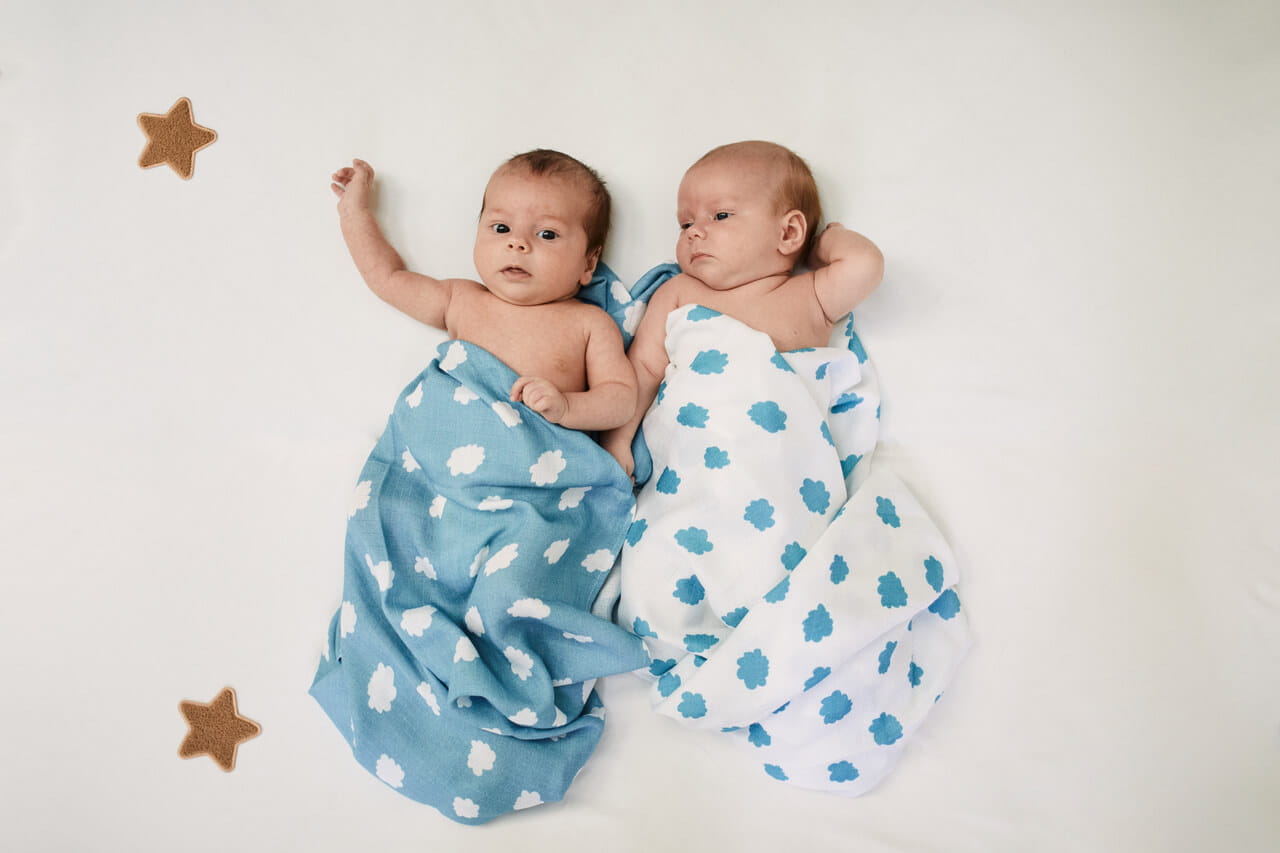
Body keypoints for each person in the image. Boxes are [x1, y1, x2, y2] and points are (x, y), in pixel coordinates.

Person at [602, 140, 885, 475]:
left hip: (784, 471)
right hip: (694, 465)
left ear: (789, 232)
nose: (694, 233)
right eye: (686, 224)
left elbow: (864, 263)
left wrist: (823, 243)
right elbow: (643, 370)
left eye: (720, 215)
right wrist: (618, 441)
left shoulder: (811, 296)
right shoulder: (678, 292)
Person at [330, 149, 637, 434]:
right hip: (447, 448)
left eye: (547, 234)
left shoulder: (590, 324)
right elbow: (387, 277)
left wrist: (568, 407)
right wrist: (355, 213)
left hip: (536, 459)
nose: (517, 243)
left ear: (589, 262)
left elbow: (621, 399)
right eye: (502, 228)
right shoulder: (459, 299)